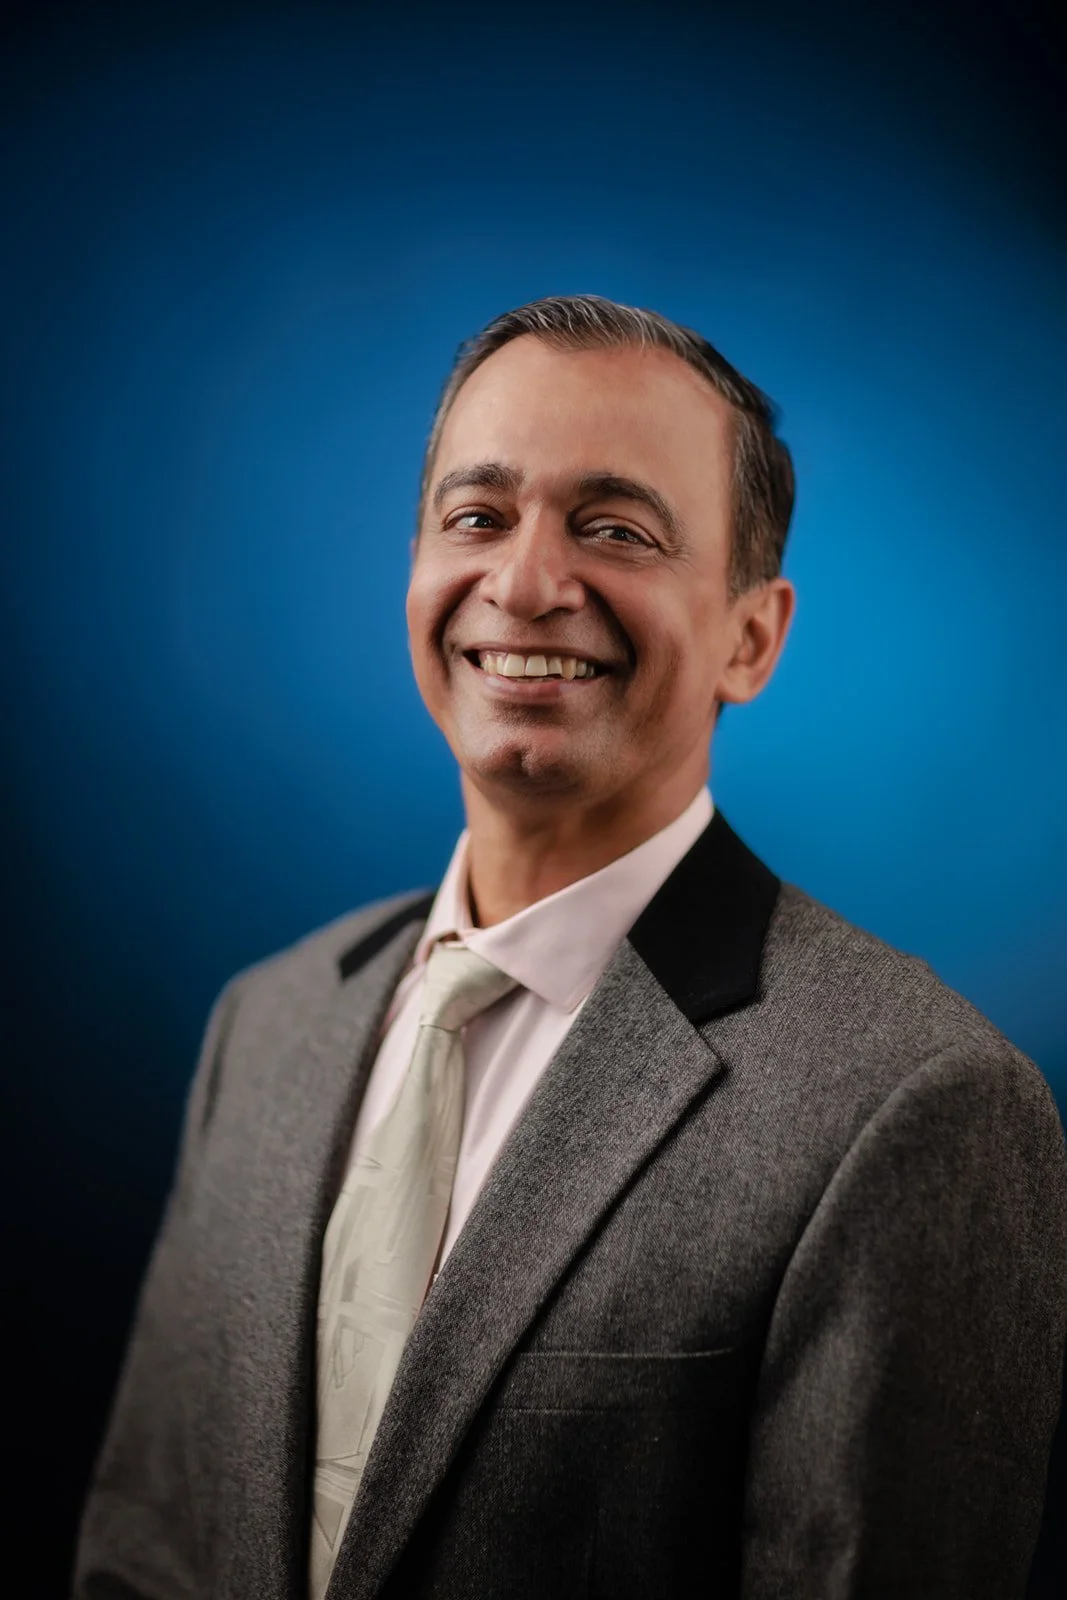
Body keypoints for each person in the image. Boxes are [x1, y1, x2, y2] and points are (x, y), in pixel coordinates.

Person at [73, 293, 1067, 1600]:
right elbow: (142, 1554)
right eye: (476, 517)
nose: (527, 583)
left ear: (750, 637)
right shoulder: (265, 1026)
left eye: (614, 529)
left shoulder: (916, 1104)